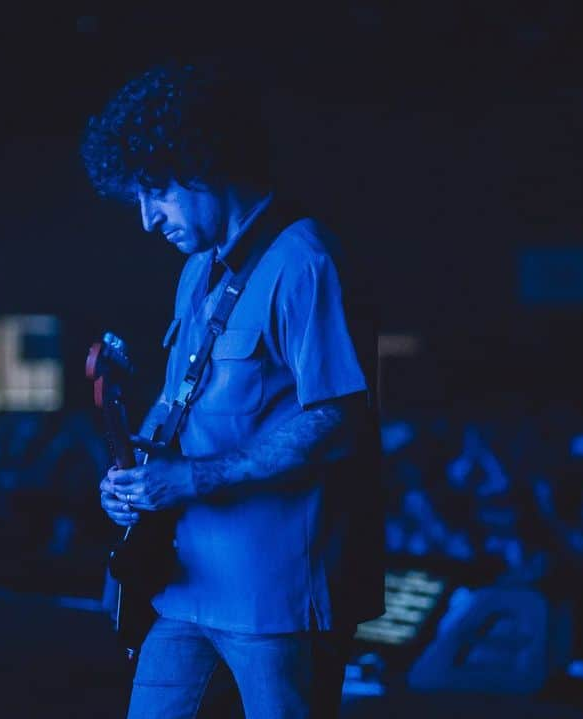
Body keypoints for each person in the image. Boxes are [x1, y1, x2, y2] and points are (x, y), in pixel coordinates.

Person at [81, 60, 384, 719]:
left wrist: (188, 480)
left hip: (277, 598)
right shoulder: (196, 270)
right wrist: (132, 476)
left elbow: (339, 418)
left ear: (202, 160)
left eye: (154, 191)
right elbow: (176, 406)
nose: (146, 219)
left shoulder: (307, 260)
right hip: (185, 586)